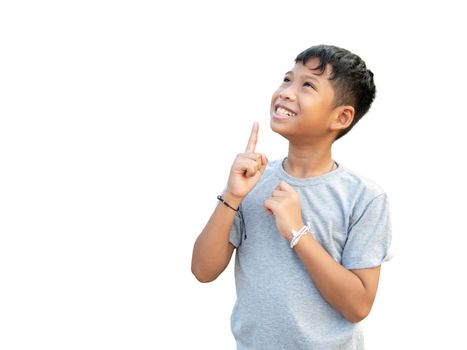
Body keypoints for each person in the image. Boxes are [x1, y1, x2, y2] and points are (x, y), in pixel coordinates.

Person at [191, 44, 392, 350]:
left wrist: (298, 233)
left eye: (307, 85)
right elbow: (202, 271)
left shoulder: (364, 198)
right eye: (287, 79)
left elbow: (358, 306)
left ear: (341, 117)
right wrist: (232, 195)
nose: (285, 91)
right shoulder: (252, 181)